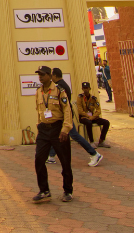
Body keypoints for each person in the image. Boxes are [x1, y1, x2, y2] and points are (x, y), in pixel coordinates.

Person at [31, 66, 73, 204]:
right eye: (39, 75)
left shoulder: (60, 91)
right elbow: (39, 110)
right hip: (44, 130)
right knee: (39, 160)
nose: (40, 77)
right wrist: (39, 125)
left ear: (50, 75)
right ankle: (44, 190)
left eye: (43, 74)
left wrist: (65, 129)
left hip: (57, 129)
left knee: (65, 161)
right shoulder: (38, 92)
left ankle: (68, 191)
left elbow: (67, 111)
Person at [46, 69, 104, 167]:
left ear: (55, 76)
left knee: (74, 135)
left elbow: (61, 103)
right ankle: (51, 156)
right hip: (63, 115)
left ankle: (94, 154)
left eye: (52, 76)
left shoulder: (60, 86)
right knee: (57, 135)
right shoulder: (63, 85)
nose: (51, 78)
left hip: (65, 116)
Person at [76, 82, 110, 148]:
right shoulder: (80, 97)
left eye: (87, 88)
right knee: (89, 123)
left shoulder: (93, 98)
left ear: (89, 88)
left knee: (106, 122)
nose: (85, 90)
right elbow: (80, 111)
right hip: (84, 117)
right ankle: (91, 142)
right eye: (84, 88)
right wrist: (89, 117)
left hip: (92, 117)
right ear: (82, 89)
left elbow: (98, 110)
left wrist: (93, 117)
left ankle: (101, 140)